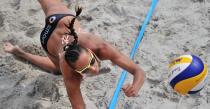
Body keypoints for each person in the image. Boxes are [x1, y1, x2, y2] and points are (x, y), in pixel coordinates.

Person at [3, 0, 145, 109]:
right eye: (85, 70)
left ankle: (18, 52)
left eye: (91, 62)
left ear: (90, 51)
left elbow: (138, 71)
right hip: (49, 38)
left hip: (59, 22)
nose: (94, 69)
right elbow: (79, 106)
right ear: (75, 70)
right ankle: (21, 53)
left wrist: (135, 87)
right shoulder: (70, 73)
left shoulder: (100, 46)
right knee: (58, 69)